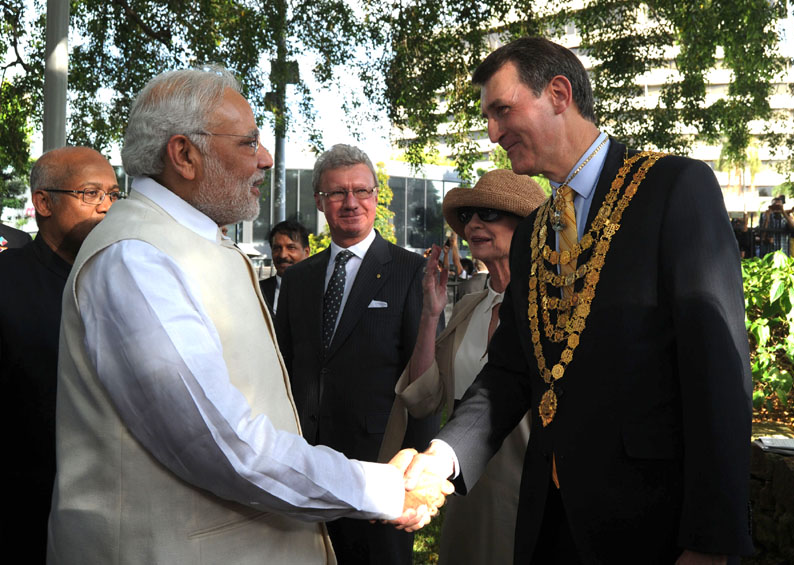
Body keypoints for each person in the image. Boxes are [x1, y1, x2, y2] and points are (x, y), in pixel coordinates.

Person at [48, 67, 450, 564]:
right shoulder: (137, 260)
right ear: (185, 155)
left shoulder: (186, 246)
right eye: (247, 143)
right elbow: (226, 443)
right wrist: (384, 487)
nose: (265, 159)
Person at [399, 37, 753, 564]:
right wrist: (443, 456)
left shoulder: (673, 188)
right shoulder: (537, 230)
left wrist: (709, 540)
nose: (493, 133)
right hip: (548, 523)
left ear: (559, 93)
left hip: (651, 526)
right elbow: (511, 374)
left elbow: (718, 372)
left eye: (502, 110)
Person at [275, 143, 442, 565]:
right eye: (337, 193)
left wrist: (416, 479)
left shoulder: (411, 273)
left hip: (379, 473)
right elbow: (281, 369)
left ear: (375, 196)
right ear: (319, 201)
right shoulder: (298, 281)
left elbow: (424, 384)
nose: (351, 202)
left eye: (361, 191)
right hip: (304, 470)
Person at [379, 169, 546, 565]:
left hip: (533, 486)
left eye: (489, 214)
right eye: (469, 215)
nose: (473, 224)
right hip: (463, 481)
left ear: (526, 226)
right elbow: (424, 400)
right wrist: (430, 314)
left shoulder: (555, 309)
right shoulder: (469, 306)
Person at [0, 146, 119, 561]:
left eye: (113, 194)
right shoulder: (7, 279)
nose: (106, 205)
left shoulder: (125, 281)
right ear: (43, 202)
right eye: (90, 193)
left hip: (112, 515)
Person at [260, 219, 311, 317]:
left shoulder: (320, 290)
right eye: (277, 248)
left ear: (306, 252)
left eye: (291, 247)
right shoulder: (257, 291)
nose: (283, 255)